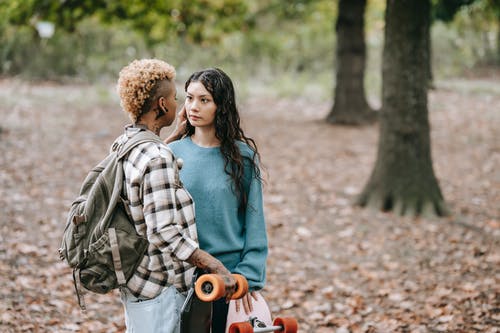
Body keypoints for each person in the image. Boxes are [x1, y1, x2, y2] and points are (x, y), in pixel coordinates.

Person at [115, 59, 236, 333]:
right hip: (159, 290)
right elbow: (163, 231)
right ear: (162, 105)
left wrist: (173, 135)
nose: (182, 105)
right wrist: (214, 265)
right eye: (176, 98)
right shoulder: (158, 157)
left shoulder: (127, 143)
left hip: (137, 282)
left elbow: (150, 166)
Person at [168, 68, 268, 332]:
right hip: (180, 279)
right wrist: (172, 137)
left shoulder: (243, 158)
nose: (193, 107)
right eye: (189, 98)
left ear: (221, 106)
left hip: (229, 278)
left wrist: (246, 277)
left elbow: (254, 224)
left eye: (204, 100)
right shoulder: (170, 153)